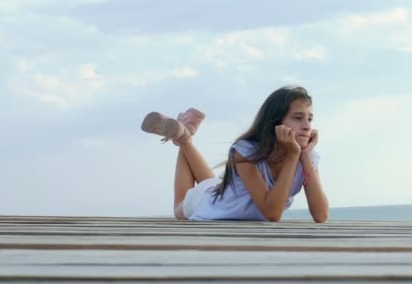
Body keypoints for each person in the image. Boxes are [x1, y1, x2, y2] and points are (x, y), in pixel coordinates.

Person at [141, 86, 329, 222]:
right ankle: (183, 137)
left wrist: (303, 156)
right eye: (298, 118)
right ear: (275, 121)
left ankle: (185, 133)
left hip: (224, 191)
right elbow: (272, 213)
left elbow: (321, 215)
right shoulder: (245, 152)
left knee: (216, 185)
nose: (307, 126)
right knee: (179, 208)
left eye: (310, 119)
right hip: (209, 202)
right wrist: (292, 156)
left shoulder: (306, 157)